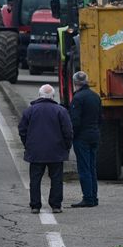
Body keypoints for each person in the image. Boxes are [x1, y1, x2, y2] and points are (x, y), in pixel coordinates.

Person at [18, 84, 73, 214]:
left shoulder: (29, 111)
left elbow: (22, 130)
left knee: (35, 179)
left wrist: (28, 145)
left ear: (39, 95)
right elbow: (68, 132)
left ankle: (35, 205)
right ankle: (56, 205)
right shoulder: (61, 111)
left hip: (35, 151)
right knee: (56, 179)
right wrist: (66, 146)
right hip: (56, 151)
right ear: (53, 96)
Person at [69, 71, 102, 208]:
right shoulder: (95, 96)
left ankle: (87, 198)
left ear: (75, 83)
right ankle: (93, 197)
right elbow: (100, 118)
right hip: (94, 134)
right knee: (92, 167)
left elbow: (75, 121)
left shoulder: (77, 98)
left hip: (82, 137)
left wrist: (72, 136)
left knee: (84, 168)